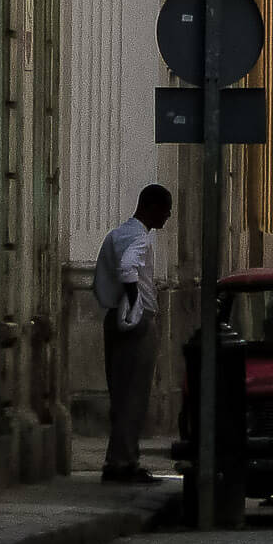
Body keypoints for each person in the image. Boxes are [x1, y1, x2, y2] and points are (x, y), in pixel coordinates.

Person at [92, 183, 173, 484]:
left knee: (120, 393)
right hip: (137, 321)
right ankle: (123, 462)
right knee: (134, 395)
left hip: (114, 317)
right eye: (165, 211)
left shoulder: (115, 235)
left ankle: (118, 458)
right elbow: (128, 268)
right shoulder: (140, 237)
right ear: (152, 208)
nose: (167, 218)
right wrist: (136, 302)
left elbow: (100, 278)